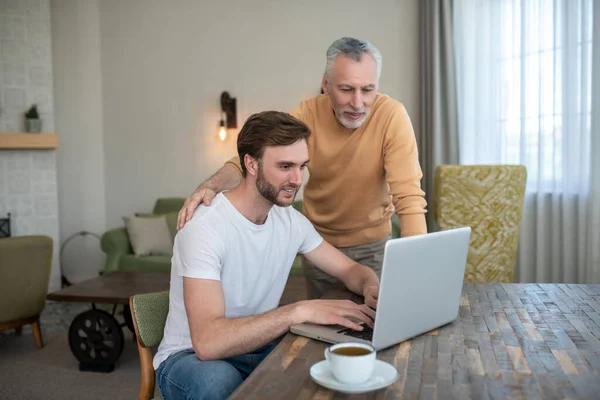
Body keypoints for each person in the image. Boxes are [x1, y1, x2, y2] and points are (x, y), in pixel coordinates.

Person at [177, 37, 427, 300]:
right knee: (326, 329)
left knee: (376, 326)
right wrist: (210, 186)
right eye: (346, 89)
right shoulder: (306, 114)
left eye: (367, 90)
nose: (357, 102)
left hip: (374, 245)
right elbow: (253, 157)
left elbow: (408, 197)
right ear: (326, 85)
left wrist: (416, 267)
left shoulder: (391, 116)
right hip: (318, 244)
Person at [155, 111, 380, 400]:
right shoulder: (205, 227)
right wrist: (298, 311)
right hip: (189, 358)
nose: (297, 179)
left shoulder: (290, 222)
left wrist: (370, 286)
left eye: (302, 166)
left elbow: (351, 271)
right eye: (285, 166)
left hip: (256, 347)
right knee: (217, 382)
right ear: (250, 163)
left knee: (322, 364)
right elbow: (208, 343)